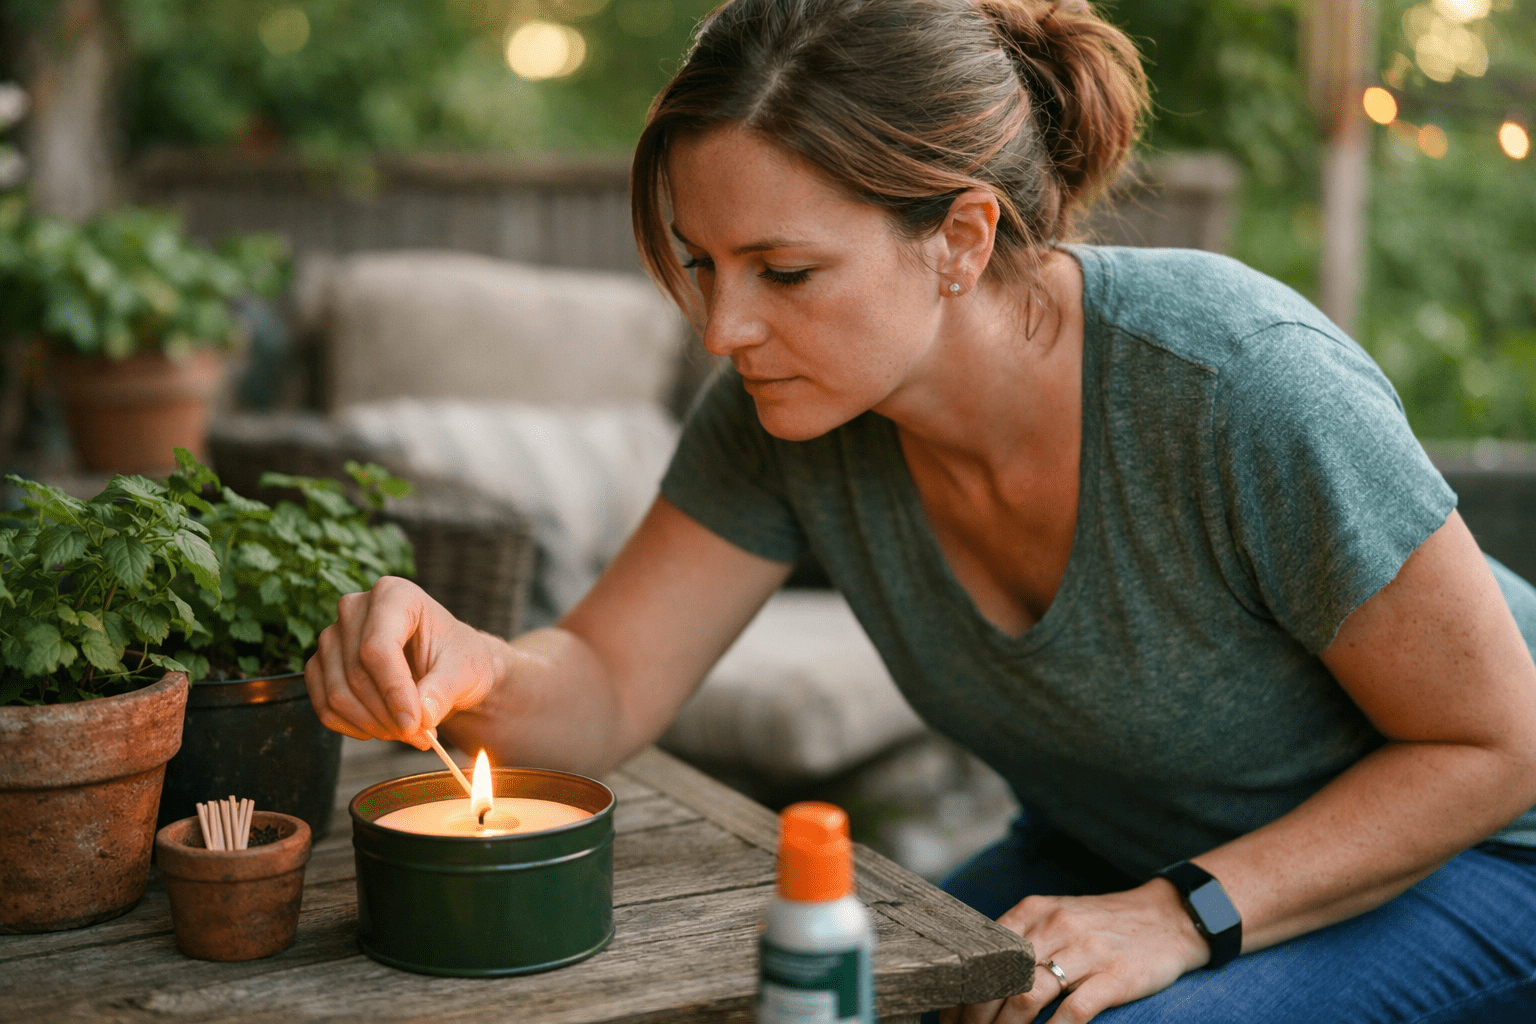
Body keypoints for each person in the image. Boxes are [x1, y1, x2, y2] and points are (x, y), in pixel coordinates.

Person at [304, 0, 1536, 1020]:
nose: (725, 329)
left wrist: (1181, 915)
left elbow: (1497, 746)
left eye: (784, 272)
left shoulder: (1236, 385)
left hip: (1474, 858)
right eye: (700, 262)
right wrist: (472, 664)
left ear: (959, 235)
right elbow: (610, 686)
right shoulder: (787, 418)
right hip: (1120, 856)